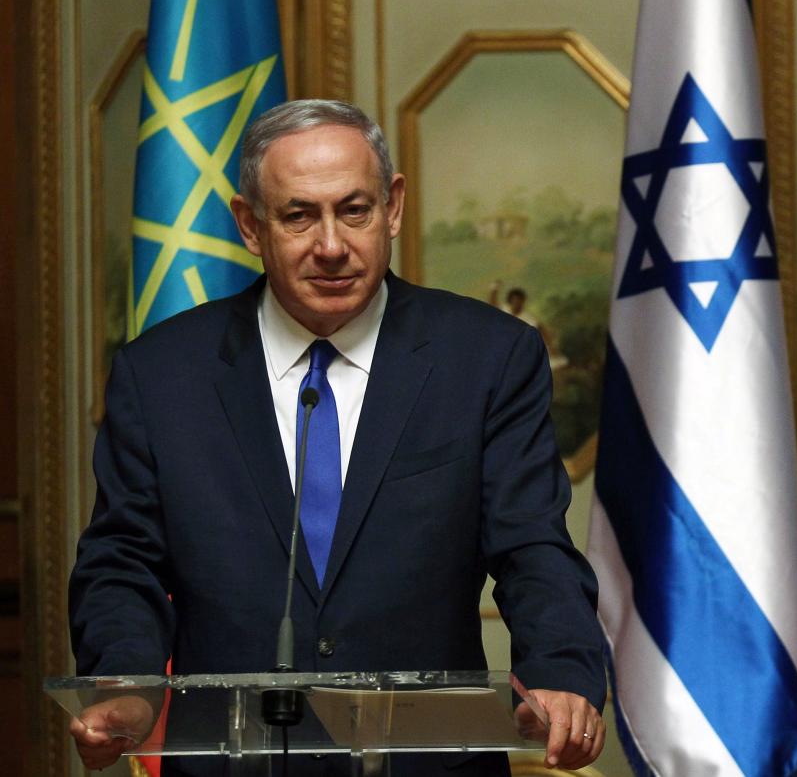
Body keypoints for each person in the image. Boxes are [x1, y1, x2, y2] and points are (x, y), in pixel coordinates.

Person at [68, 99, 606, 775]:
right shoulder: (162, 374)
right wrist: (125, 683)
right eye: (299, 216)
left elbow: (531, 544)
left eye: (354, 210)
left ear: (393, 207)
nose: (331, 245)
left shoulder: (487, 358)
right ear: (250, 226)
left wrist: (559, 673)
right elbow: (123, 558)